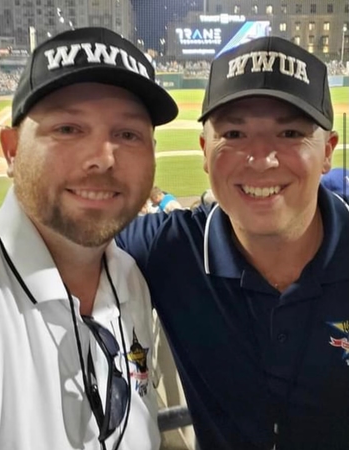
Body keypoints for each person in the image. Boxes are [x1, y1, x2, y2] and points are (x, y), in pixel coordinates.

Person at [116, 36, 349, 450]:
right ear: (205, 150)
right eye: (235, 133)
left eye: (291, 132)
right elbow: (57, 241)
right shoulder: (167, 250)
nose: (260, 158)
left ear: (328, 151)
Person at [0, 27, 178, 450]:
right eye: (69, 129)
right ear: (12, 150)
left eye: (128, 134)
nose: (103, 159)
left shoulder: (130, 278)